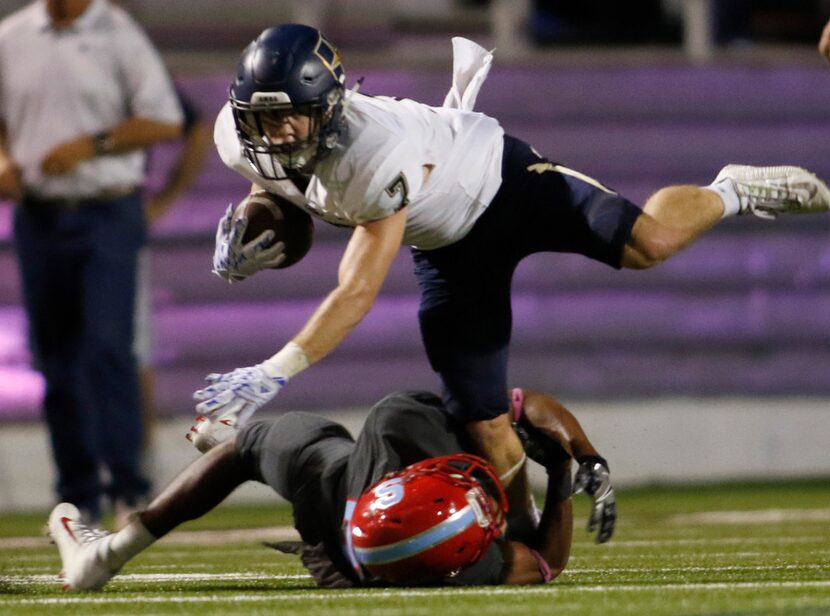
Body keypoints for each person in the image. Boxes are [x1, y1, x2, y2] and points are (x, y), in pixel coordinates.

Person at [191, 24, 830, 526]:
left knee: (648, 244)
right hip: (447, 245)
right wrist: (253, 225)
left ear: (328, 107)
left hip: (504, 183)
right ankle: (520, 532)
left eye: (288, 117)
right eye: (260, 118)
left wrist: (274, 371)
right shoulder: (237, 135)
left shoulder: (373, 151)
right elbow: (280, 194)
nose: (274, 134)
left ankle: (733, 190)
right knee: (483, 419)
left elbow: (357, 289)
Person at [48, 387, 617, 589]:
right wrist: (566, 473)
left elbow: (520, 404)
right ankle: (243, 443)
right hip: (346, 532)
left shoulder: (404, 424)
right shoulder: (471, 561)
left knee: (249, 447)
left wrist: (577, 459)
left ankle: (105, 556)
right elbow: (547, 563)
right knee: (514, 491)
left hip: (340, 489)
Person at [0, 0, 184, 523]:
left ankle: (129, 486)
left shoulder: (117, 32)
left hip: (107, 210)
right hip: (39, 215)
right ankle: (77, 494)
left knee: (107, 347)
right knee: (54, 359)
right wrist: (4, 159)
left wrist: (91, 144)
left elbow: (164, 119)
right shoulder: (11, 37)